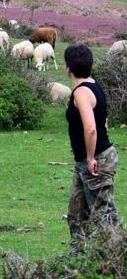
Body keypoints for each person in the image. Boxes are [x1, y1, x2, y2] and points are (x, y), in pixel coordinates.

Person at [65, 43, 120, 246]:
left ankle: (115, 263)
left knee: (103, 218)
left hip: (95, 160)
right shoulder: (94, 86)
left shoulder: (81, 93)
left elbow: (91, 128)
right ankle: (79, 263)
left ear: (68, 68)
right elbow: (103, 120)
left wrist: (90, 157)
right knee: (76, 214)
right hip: (86, 161)